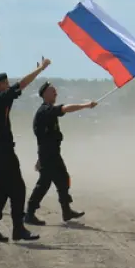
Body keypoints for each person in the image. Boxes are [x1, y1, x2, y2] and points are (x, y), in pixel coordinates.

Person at [0, 58, 50, 243]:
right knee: (18, 190)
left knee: (0, 191)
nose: (7, 86)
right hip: (3, 153)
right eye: (5, 84)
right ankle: (18, 229)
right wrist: (40, 69)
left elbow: (16, 88)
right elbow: (21, 85)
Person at [24, 82, 96, 226]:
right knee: (43, 184)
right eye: (53, 92)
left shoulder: (47, 111)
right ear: (45, 94)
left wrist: (40, 158)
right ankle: (30, 213)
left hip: (52, 154)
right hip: (48, 155)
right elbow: (65, 108)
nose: (56, 94)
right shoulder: (45, 110)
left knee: (63, 179)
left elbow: (44, 136)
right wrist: (86, 105)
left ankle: (66, 210)